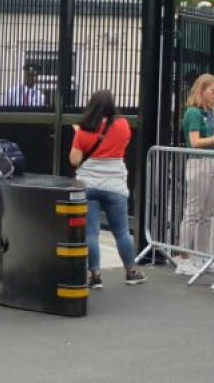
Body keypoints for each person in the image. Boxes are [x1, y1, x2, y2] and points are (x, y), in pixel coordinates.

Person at [70, 89, 146, 288]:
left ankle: (95, 276)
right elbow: (122, 145)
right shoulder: (123, 125)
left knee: (91, 234)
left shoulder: (84, 130)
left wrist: (78, 135)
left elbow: (74, 160)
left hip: (89, 184)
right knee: (121, 231)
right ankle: (131, 272)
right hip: (115, 185)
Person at [178, 74, 214, 276]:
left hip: (213, 162)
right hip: (199, 163)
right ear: (202, 91)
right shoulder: (193, 113)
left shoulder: (210, 112)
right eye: (213, 91)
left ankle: (202, 256)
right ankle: (184, 258)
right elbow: (195, 142)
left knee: (207, 213)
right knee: (193, 212)